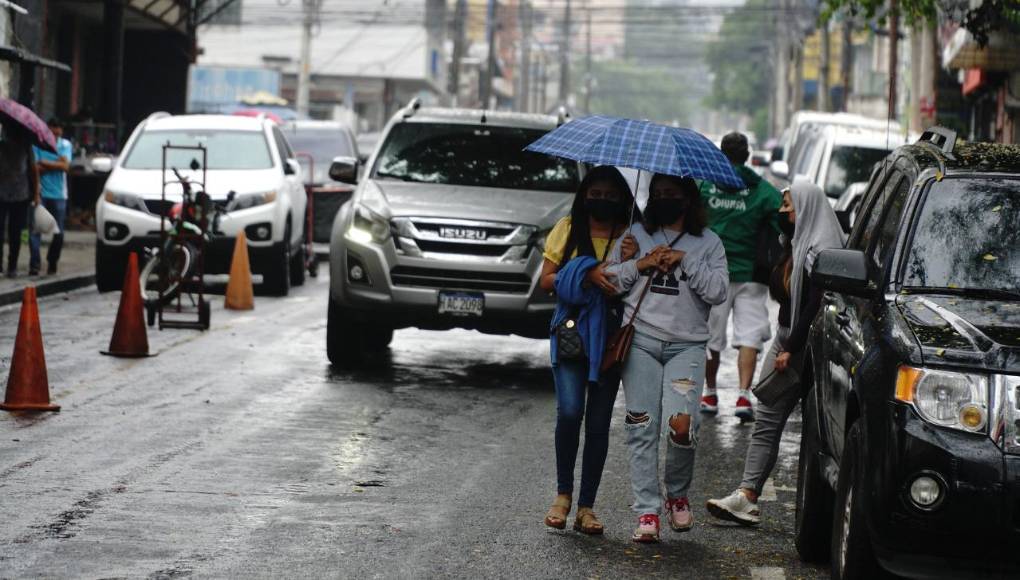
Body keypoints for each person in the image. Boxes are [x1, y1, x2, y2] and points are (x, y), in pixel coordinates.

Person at [706, 181, 844, 526]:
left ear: (806, 208)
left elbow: (814, 305)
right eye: (782, 206)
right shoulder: (796, 244)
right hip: (788, 339)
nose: (783, 213)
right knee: (768, 416)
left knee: (795, 422)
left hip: (802, 345)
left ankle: (756, 497)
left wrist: (791, 349)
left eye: (788, 206)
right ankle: (747, 496)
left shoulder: (820, 252)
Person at [604, 174, 728, 542]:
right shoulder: (636, 236)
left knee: (681, 426)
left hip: (686, 347)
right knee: (640, 426)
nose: (662, 200)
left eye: (670, 195)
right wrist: (638, 263)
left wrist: (685, 260)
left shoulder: (709, 243)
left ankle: (677, 494)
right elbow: (610, 280)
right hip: (640, 340)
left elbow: (719, 291)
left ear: (687, 200)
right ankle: (646, 511)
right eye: (656, 194)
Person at [540, 165, 639, 535]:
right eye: (595, 193)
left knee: (598, 425)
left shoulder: (631, 236)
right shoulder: (567, 229)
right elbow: (545, 280)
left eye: (611, 195)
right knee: (569, 412)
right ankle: (562, 495)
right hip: (570, 335)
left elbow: (640, 283)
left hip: (611, 341)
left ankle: (586, 507)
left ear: (623, 200)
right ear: (584, 196)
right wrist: (584, 273)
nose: (603, 200)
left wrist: (632, 256)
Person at [698, 132, 783, 421]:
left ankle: (709, 393)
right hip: (752, 274)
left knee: (710, 336)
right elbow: (783, 217)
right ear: (747, 156)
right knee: (749, 335)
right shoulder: (762, 190)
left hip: (712, 274)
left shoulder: (705, 185)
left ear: (721, 155)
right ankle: (744, 397)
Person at [29, 118, 73, 276]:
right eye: (52, 134)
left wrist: (45, 162)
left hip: (60, 195)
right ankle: (34, 264)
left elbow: (66, 166)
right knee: (35, 231)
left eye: (57, 134)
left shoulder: (65, 145)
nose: (55, 137)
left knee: (59, 233)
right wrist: (56, 163)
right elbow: (35, 167)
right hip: (40, 193)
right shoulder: (38, 144)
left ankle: (52, 261)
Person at [0, 126, 40, 278]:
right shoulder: (2, 146)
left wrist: (36, 194)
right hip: (2, 194)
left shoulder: (26, 148)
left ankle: (12, 265)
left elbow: (34, 170)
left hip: (21, 196)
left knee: (15, 233)